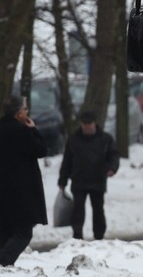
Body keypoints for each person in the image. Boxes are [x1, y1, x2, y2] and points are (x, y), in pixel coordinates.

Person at [0, 94, 48, 266]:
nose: (27, 111)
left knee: (5, 232)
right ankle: (4, 262)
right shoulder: (22, 132)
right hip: (21, 192)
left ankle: (4, 268)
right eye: (26, 108)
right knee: (23, 233)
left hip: (2, 191)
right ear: (20, 113)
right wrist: (33, 129)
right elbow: (41, 150)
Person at [58, 110, 120, 241]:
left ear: (95, 123)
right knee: (78, 210)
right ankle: (77, 236)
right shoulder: (74, 139)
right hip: (79, 180)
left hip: (98, 180)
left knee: (98, 209)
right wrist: (62, 180)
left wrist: (112, 168)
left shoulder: (105, 139)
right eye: (84, 124)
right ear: (81, 125)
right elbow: (67, 160)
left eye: (89, 124)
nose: (87, 127)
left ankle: (99, 236)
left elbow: (113, 156)